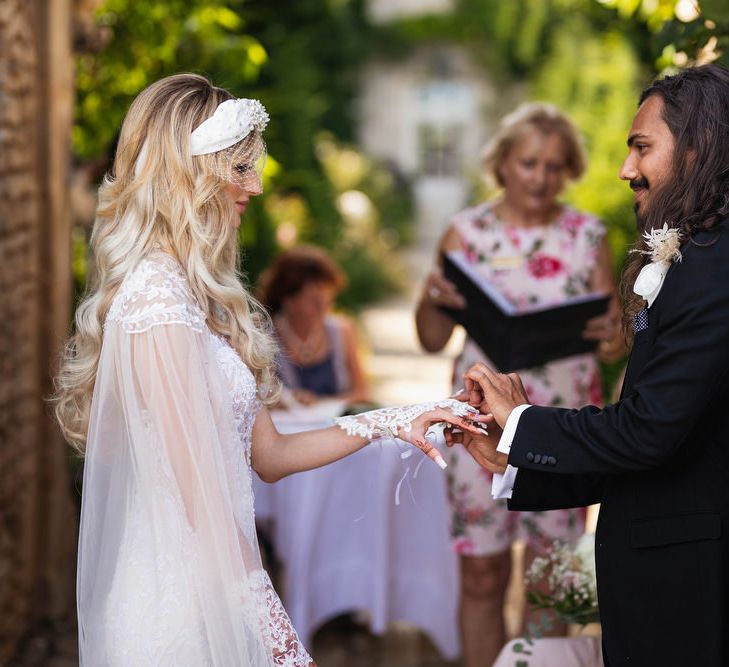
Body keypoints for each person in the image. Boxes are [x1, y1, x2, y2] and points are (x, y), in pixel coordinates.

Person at [52, 73, 485, 667]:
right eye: (240, 168)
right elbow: (198, 505)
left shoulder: (194, 299)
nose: (254, 187)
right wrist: (277, 635)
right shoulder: (155, 302)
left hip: (219, 585)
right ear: (189, 172)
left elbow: (272, 456)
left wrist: (397, 420)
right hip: (180, 607)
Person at [454, 63, 729, 667]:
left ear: (698, 148)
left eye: (642, 148)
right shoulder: (698, 259)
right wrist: (516, 458)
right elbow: (661, 441)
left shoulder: (712, 268)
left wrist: (524, 420)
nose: (626, 169)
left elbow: (648, 431)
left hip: (690, 590)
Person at [414, 102, 623, 666]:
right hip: (477, 419)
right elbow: (432, 338)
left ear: (569, 170)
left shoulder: (588, 235)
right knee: (481, 574)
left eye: (555, 166)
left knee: (548, 582)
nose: (541, 177)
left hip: (562, 422)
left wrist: (612, 331)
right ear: (502, 163)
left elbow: (612, 343)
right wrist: (431, 301)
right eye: (529, 162)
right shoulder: (466, 232)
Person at [258, 245, 369, 406]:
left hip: (334, 426)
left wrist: (320, 404)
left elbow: (362, 393)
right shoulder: (263, 337)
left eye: (327, 299)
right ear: (287, 299)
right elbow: (259, 400)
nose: (322, 307)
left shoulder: (342, 331)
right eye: (313, 300)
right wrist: (286, 401)